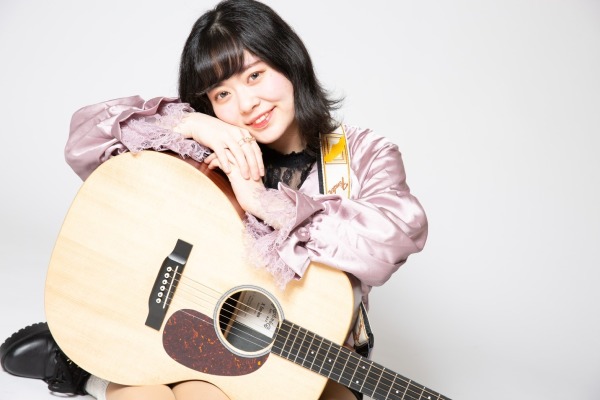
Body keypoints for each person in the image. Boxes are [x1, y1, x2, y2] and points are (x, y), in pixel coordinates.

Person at [0, 0, 428, 399]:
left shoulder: (362, 155)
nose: (247, 104)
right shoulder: (207, 148)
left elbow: (394, 239)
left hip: (307, 354)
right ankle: (92, 366)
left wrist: (264, 203)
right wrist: (190, 124)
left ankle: (89, 373)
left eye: (255, 75)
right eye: (222, 94)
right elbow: (84, 141)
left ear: (289, 62)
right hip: (190, 324)